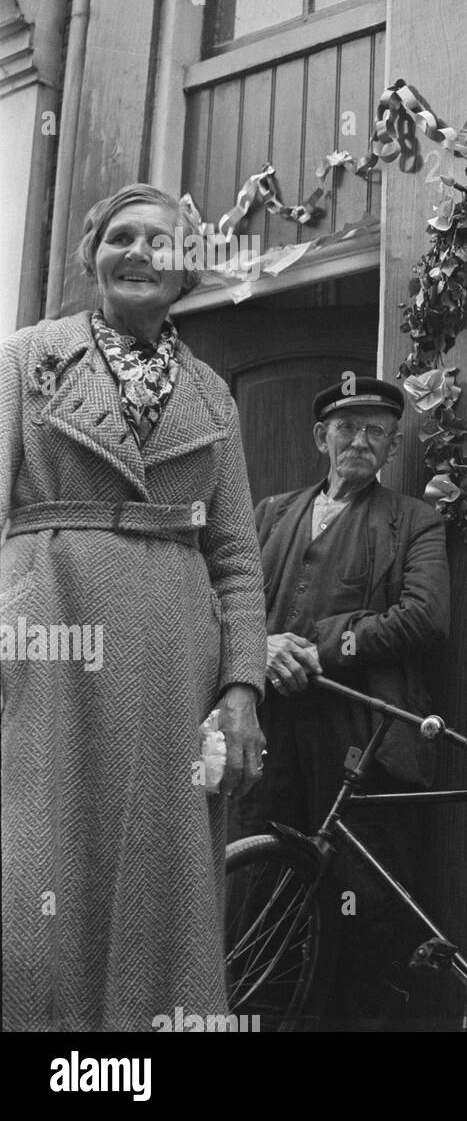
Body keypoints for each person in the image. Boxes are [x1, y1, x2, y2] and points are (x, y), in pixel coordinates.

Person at [0, 183, 267, 1032]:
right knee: (32, 882)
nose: (140, 252)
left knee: (165, 888)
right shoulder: (25, 359)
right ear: (91, 258)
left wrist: (242, 690)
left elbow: (235, 558)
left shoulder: (215, 395)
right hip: (46, 643)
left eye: (162, 240)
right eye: (121, 236)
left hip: (171, 666)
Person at [234, 375, 449, 1029]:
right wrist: (263, 648)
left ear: (391, 444)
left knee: (365, 907)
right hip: (270, 733)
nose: (360, 440)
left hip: (363, 740)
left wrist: (318, 646)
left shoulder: (416, 520)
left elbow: (424, 618)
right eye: (346, 428)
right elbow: (222, 607)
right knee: (260, 897)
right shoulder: (268, 514)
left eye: (376, 430)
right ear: (320, 437)